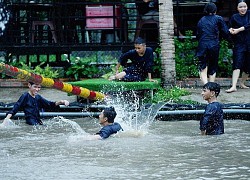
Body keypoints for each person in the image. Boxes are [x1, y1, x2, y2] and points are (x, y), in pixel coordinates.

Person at [4, 82, 70, 125]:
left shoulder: (38, 97)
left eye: (39, 87)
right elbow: (16, 107)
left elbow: (49, 104)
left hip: (38, 121)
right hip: (30, 122)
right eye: (35, 87)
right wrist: (6, 120)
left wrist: (61, 101)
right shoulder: (25, 96)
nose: (37, 89)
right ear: (29, 85)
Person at [196, 2, 230, 85]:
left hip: (202, 45)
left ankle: (206, 85)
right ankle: (211, 87)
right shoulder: (218, 18)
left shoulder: (201, 20)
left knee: (203, 66)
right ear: (215, 10)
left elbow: (198, 34)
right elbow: (226, 31)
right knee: (213, 66)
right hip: (214, 44)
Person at [225, 0, 250, 93]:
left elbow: (248, 25)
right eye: (240, 7)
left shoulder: (249, 14)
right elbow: (229, 27)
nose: (243, 9)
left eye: (244, 6)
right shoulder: (234, 17)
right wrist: (231, 30)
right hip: (239, 44)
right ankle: (234, 86)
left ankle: (242, 83)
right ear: (237, 8)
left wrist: (239, 29)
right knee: (237, 64)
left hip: (249, 43)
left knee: (248, 66)